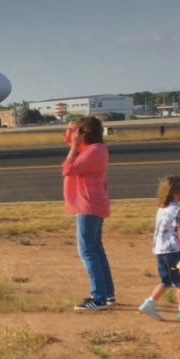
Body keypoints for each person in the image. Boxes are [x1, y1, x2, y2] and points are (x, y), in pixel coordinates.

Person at [63, 116, 115, 311]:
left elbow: (68, 168)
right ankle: (107, 293)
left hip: (88, 206)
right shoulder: (97, 149)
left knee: (87, 252)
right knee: (96, 249)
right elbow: (70, 143)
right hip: (94, 204)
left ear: (86, 135)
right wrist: (71, 132)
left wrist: (73, 146)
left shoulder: (92, 153)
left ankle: (99, 298)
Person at [139, 175, 180, 322]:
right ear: (176, 192)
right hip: (173, 252)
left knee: (166, 280)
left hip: (161, 251)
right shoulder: (178, 211)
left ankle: (149, 303)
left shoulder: (161, 209)